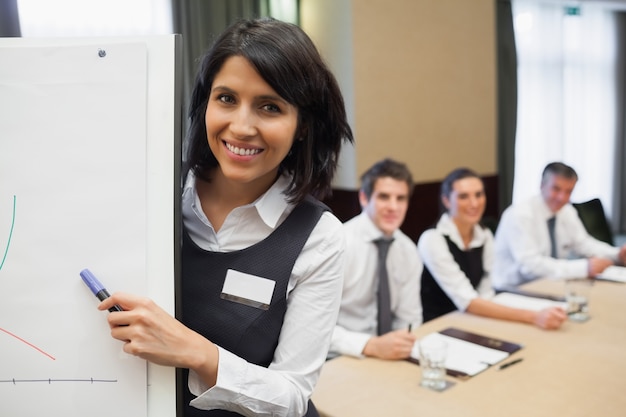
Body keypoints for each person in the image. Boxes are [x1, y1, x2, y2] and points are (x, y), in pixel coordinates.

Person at [97, 17, 353, 417]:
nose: (241, 126)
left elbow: (291, 397)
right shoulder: (151, 190)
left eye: (269, 106)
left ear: (302, 125)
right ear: (206, 104)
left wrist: (197, 353)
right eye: (227, 99)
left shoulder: (319, 237)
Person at [417, 168, 567, 329]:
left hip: (472, 319)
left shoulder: (485, 235)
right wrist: (534, 316)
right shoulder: (432, 239)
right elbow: (467, 300)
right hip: (439, 325)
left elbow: (485, 292)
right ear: (446, 200)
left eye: (479, 194)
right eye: (463, 197)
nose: (474, 203)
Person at [329, 158, 422, 360]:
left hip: (390, 356)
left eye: (401, 198)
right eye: (384, 197)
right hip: (340, 355)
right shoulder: (338, 244)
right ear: (364, 198)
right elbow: (313, 325)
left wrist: (403, 344)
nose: (393, 207)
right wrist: (370, 345)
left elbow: (410, 318)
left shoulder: (408, 250)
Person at [493, 162, 626, 288]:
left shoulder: (566, 211)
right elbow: (530, 266)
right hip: (515, 287)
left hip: (550, 283)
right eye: (556, 189)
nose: (562, 197)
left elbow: (583, 244)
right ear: (542, 185)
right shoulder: (520, 215)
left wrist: (616, 254)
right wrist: (584, 268)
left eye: (569, 191)